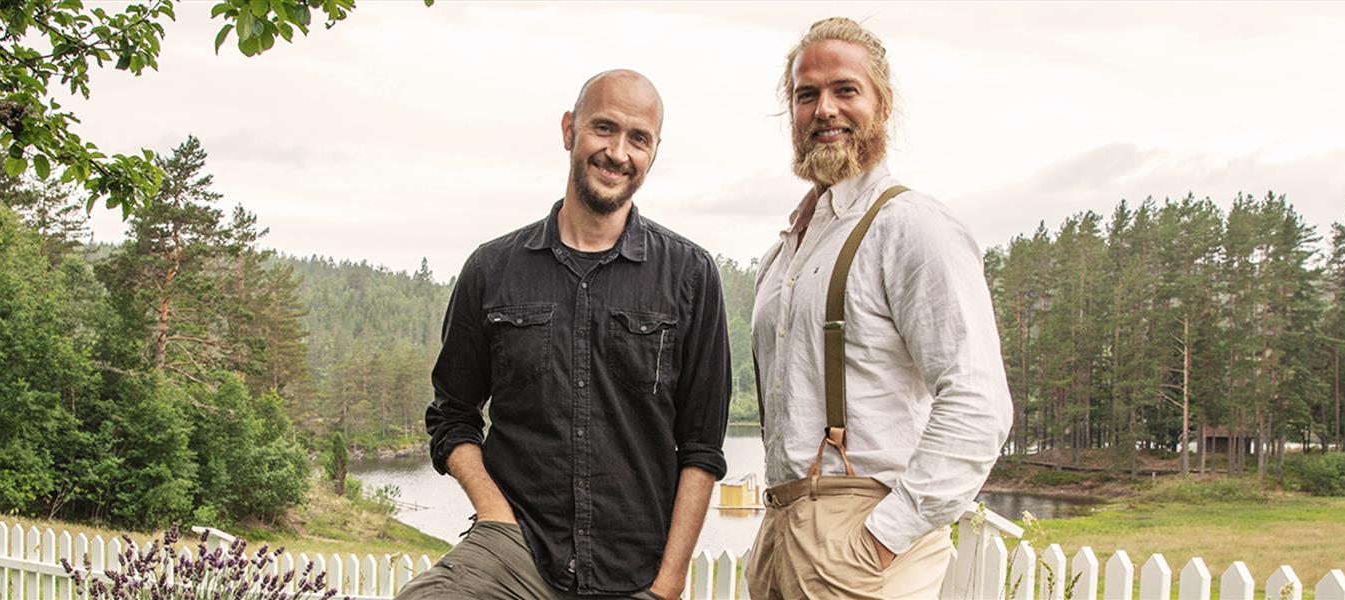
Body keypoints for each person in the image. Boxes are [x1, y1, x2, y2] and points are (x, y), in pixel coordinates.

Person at [401, 70, 732, 600]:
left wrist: (666, 586)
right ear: (568, 130)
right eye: (604, 128)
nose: (618, 152)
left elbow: (702, 449)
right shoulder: (492, 269)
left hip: (634, 568)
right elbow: (452, 414)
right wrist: (493, 512)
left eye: (638, 138)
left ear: (654, 151)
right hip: (515, 553)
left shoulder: (690, 276)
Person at [745, 17, 1015, 600]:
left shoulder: (910, 225)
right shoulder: (785, 249)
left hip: (862, 542)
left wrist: (882, 538)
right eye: (806, 94)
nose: (825, 110)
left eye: (846, 90)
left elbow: (976, 399)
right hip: (781, 528)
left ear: (882, 106)